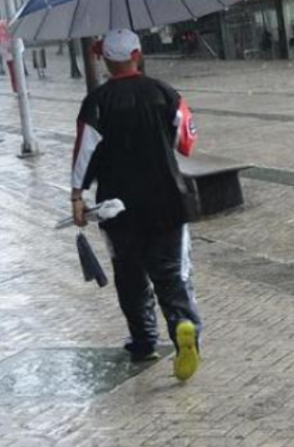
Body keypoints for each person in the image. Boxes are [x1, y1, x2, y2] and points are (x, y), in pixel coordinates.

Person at [70, 29, 203, 381]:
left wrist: (77, 195)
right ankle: (183, 326)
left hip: (116, 207)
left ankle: (144, 341)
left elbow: (84, 152)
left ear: (106, 60)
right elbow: (187, 141)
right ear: (137, 55)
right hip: (167, 201)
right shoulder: (165, 92)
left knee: (130, 276)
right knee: (172, 276)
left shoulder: (96, 102)